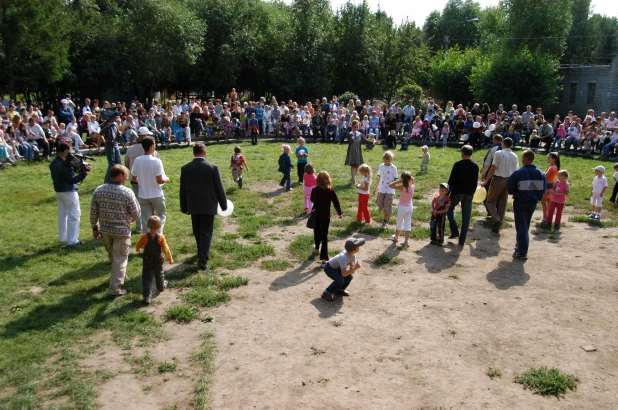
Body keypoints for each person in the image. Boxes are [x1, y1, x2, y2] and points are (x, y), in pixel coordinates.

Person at [91, 165, 141, 297]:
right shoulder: (126, 192)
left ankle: (119, 276)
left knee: (114, 257)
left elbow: (93, 212)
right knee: (120, 259)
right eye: (126, 175)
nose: (127, 178)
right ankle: (115, 289)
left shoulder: (98, 190)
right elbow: (136, 212)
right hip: (122, 231)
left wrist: (95, 228)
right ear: (119, 176)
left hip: (105, 230)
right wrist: (132, 219)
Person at [180, 143, 227, 270]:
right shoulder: (212, 167)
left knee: (197, 230)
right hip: (208, 204)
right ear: (205, 153)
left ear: (193, 153)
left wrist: (183, 207)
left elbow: (182, 189)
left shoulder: (185, 168)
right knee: (206, 231)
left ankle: (201, 251)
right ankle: (202, 258)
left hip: (193, 205)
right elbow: (219, 188)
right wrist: (224, 204)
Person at [507, 150, 546, 259]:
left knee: (521, 225)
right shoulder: (540, 174)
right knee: (526, 224)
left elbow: (510, 187)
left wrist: (515, 192)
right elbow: (543, 189)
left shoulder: (519, 173)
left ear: (524, 158)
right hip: (533, 202)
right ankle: (520, 245)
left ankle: (522, 251)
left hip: (521, 202)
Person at [49, 142, 90, 246]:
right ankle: (73, 241)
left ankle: (63, 239)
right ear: (65, 151)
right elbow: (72, 180)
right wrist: (84, 173)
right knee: (74, 215)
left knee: (62, 216)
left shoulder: (53, 163)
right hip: (69, 192)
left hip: (59, 192)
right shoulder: (64, 165)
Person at [125, 127, 161, 233]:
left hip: (135, 180)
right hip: (149, 181)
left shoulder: (130, 149)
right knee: (150, 205)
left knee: (137, 204)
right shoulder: (151, 150)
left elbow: (126, 164)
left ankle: (139, 227)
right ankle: (153, 226)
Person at [131, 136, 169, 233]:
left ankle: (147, 239)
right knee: (161, 214)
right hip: (156, 194)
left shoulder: (137, 160)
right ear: (152, 147)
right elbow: (159, 180)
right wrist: (166, 179)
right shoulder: (156, 161)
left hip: (143, 195)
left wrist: (143, 180)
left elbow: (134, 178)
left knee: (146, 219)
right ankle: (158, 234)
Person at [482, 137, 519, 233]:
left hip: (498, 179)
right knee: (503, 203)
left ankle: (496, 219)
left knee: (490, 201)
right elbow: (516, 171)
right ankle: (498, 224)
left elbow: (493, 168)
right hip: (509, 180)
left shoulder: (499, 153)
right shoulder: (514, 156)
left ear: (503, 144)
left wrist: (486, 181)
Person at [135, 216, 174, 305]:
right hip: (158, 259)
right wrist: (170, 259)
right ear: (160, 226)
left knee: (147, 277)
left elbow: (138, 245)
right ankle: (161, 287)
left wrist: (138, 250)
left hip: (147, 259)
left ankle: (147, 297)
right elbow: (166, 249)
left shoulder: (144, 236)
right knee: (159, 273)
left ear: (147, 226)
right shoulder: (161, 237)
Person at [446, 145, 479, 245]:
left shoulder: (458, 164)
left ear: (463, 153)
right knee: (466, 216)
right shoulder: (475, 165)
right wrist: (472, 193)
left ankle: (454, 230)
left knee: (449, 209)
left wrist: (447, 193)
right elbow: (475, 182)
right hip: (468, 194)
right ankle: (462, 239)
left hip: (457, 192)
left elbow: (451, 180)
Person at [310, 171, 342, 264]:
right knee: (324, 236)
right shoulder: (330, 191)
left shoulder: (314, 190)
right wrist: (339, 213)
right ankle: (324, 258)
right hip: (326, 217)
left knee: (316, 232)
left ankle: (316, 248)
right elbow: (336, 202)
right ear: (328, 180)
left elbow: (312, 199)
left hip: (316, 215)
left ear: (317, 180)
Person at [321, 238, 365, 302]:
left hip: (337, 268)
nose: (359, 247)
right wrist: (355, 268)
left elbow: (351, 270)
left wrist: (353, 267)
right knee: (340, 279)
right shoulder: (343, 258)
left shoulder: (352, 256)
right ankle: (326, 293)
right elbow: (344, 274)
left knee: (350, 277)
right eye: (358, 246)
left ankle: (339, 289)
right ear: (355, 249)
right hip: (329, 268)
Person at [372, 151, 398, 228]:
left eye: (389, 160)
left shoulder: (394, 168)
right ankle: (386, 214)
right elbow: (379, 177)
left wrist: (393, 186)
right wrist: (375, 188)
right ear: (383, 159)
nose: (387, 161)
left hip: (389, 190)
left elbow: (395, 179)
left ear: (391, 159)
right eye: (385, 159)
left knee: (387, 205)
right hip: (381, 189)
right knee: (380, 204)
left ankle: (385, 221)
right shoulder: (381, 166)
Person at [389, 171, 414, 247]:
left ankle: (396, 237)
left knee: (399, 222)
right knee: (407, 223)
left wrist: (399, 181)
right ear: (410, 179)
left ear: (402, 179)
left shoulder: (402, 187)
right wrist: (409, 179)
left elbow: (391, 185)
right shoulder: (412, 186)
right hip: (410, 207)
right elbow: (413, 180)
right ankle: (406, 241)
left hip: (402, 207)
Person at [345, 120, 368, 185]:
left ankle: (353, 177)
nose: (356, 128)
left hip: (358, 151)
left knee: (357, 165)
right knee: (353, 165)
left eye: (357, 127)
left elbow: (366, 141)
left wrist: (374, 142)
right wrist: (353, 136)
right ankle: (353, 180)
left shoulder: (360, 134)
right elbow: (350, 142)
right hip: (352, 151)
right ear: (352, 127)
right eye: (354, 127)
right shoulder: (350, 134)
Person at [541, 152, 560, 224]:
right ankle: (549, 217)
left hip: (547, 186)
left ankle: (545, 217)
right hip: (551, 185)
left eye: (549, 158)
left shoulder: (551, 167)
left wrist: (541, 174)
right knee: (549, 201)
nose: (547, 159)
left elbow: (546, 176)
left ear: (554, 159)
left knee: (543, 201)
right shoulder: (554, 166)